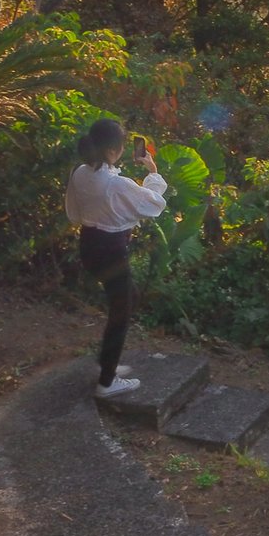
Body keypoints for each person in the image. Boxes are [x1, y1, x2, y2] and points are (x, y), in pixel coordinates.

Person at [64, 118, 168, 398]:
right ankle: (106, 382)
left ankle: (105, 362)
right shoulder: (115, 183)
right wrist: (153, 174)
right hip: (111, 250)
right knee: (122, 309)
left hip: (89, 245)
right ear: (113, 149)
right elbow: (152, 205)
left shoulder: (81, 173)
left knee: (126, 298)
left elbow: (74, 213)